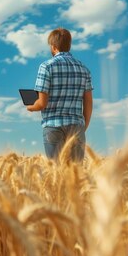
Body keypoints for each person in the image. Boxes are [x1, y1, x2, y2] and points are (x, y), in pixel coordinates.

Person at [26, 28, 93, 161]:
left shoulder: (46, 66)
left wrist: (30, 107)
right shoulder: (84, 69)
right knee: (76, 175)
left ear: (53, 46)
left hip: (53, 125)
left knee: (56, 173)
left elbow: (41, 103)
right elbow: (88, 103)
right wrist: (82, 127)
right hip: (76, 126)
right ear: (69, 45)